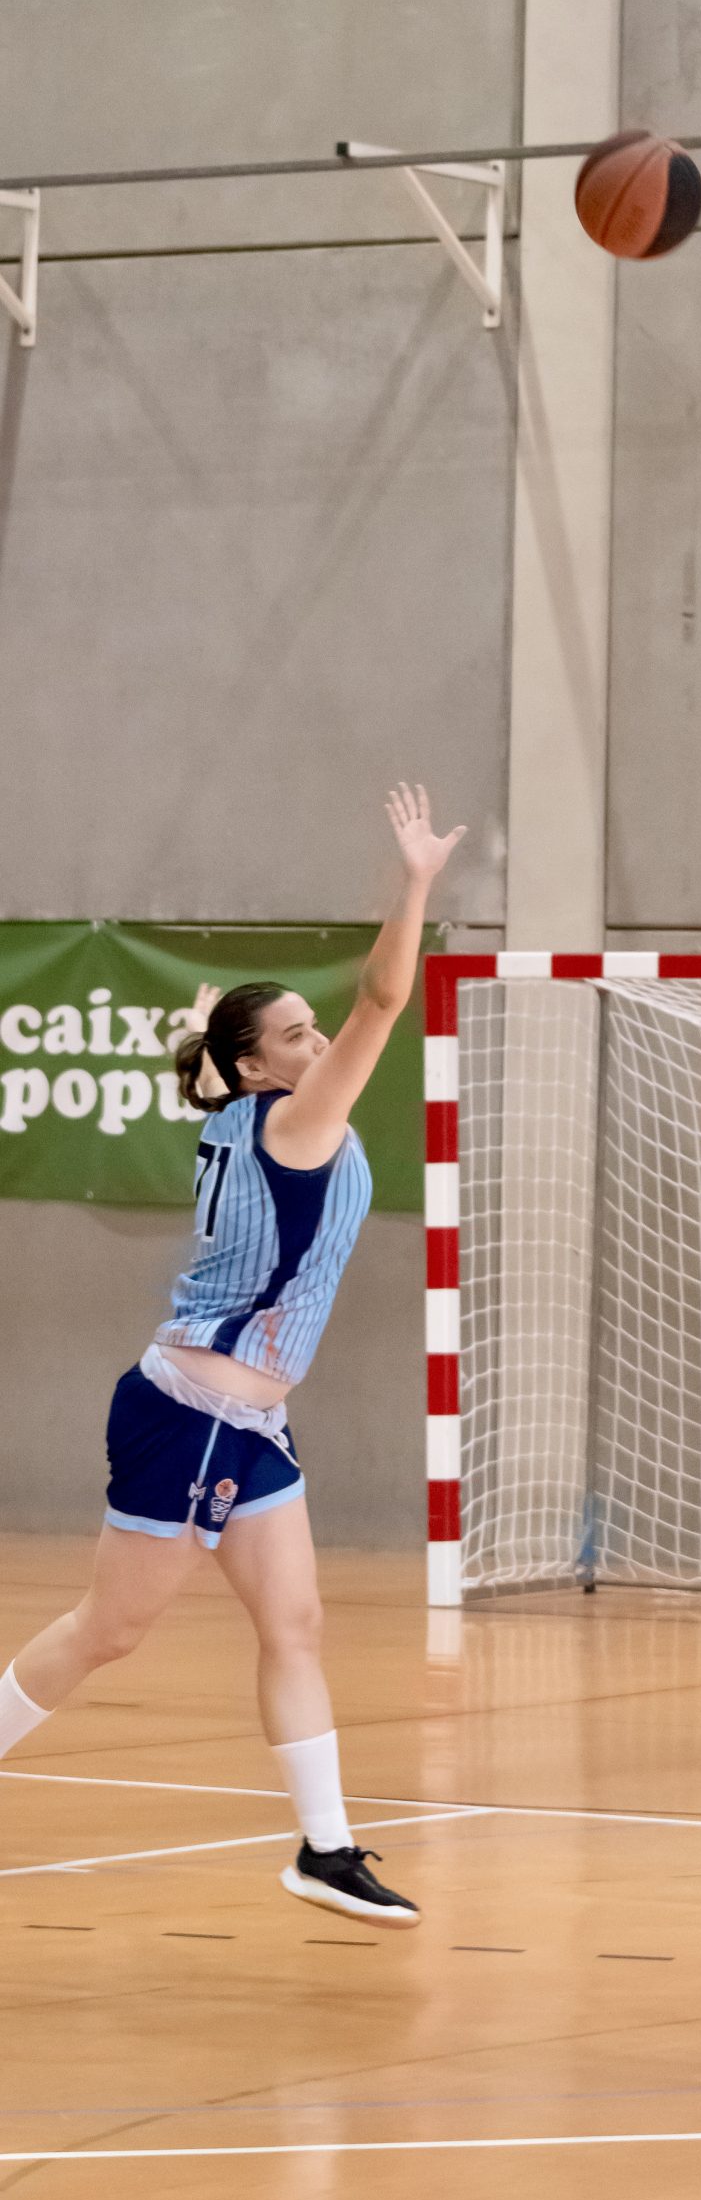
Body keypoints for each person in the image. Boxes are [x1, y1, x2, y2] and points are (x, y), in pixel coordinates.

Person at [0, 786, 465, 1928]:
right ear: (259, 1070)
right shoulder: (294, 1122)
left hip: (249, 1423)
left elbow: (241, 1051)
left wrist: (219, 1025)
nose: (321, 1041)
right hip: (191, 1414)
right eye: (296, 1035)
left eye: (313, 1027)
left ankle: (326, 1849)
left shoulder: (241, 1107)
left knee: (294, 1625)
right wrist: (413, 882)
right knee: (109, 1630)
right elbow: (386, 996)